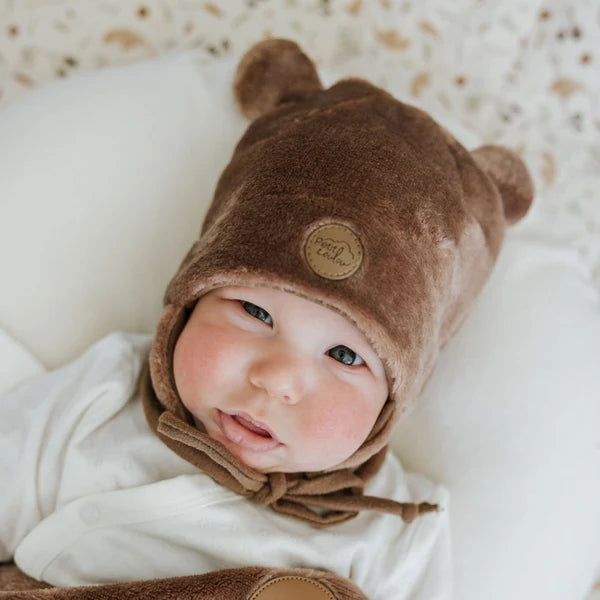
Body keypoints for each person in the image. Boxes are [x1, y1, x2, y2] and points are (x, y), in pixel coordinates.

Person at [0, 38, 534, 600]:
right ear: (190, 302)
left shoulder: (396, 534)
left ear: (391, 405)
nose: (276, 378)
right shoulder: (106, 393)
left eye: (345, 356)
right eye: (255, 312)